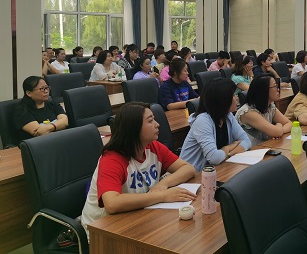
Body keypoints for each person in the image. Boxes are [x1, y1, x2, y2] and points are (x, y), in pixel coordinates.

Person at [80, 102, 196, 238]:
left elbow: (188, 169)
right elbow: (112, 204)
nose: (157, 124)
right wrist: (163, 196)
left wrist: (163, 184)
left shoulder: (153, 147)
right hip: (102, 231)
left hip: (138, 217)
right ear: (134, 128)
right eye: (150, 121)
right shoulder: (112, 159)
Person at [179, 78, 251, 171]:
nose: (236, 98)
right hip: (194, 174)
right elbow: (214, 158)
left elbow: (247, 141)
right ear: (223, 100)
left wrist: (229, 153)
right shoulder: (202, 121)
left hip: (218, 168)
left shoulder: (228, 115)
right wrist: (228, 148)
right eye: (233, 95)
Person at [235, 74, 292, 145]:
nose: (278, 89)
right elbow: (276, 132)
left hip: (265, 147)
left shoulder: (269, 106)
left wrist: (280, 130)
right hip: (250, 150)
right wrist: (279, 125)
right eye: (275, 86)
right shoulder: (248, 112)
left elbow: (289, 123)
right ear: (264, 90)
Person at [14, 76, 69, 142]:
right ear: (29, 93)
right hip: (38, 144)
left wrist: (50, 127)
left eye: (47, 88)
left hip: (59, 140)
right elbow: (39, 132)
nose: (46, 91)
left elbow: (65, 121)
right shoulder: (21, 110)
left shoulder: (52, 104)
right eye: (42, 89)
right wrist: (58, 125)